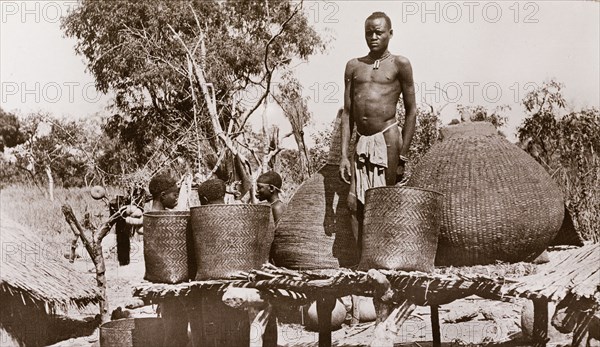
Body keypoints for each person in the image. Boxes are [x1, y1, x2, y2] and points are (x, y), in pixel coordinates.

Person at [339, 12, 417, 252]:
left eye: (378, 32)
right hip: (361, 141)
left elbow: (412, 110)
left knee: (384, 200)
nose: (373, 37)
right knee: (353, 203)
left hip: (388, 138)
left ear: (390, 34)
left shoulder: (400, 64)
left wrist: (403, 154)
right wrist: (344, 155)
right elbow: (347, 114)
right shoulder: (354, 66)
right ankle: (363, 261)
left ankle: (386, 257)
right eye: (368, 33)